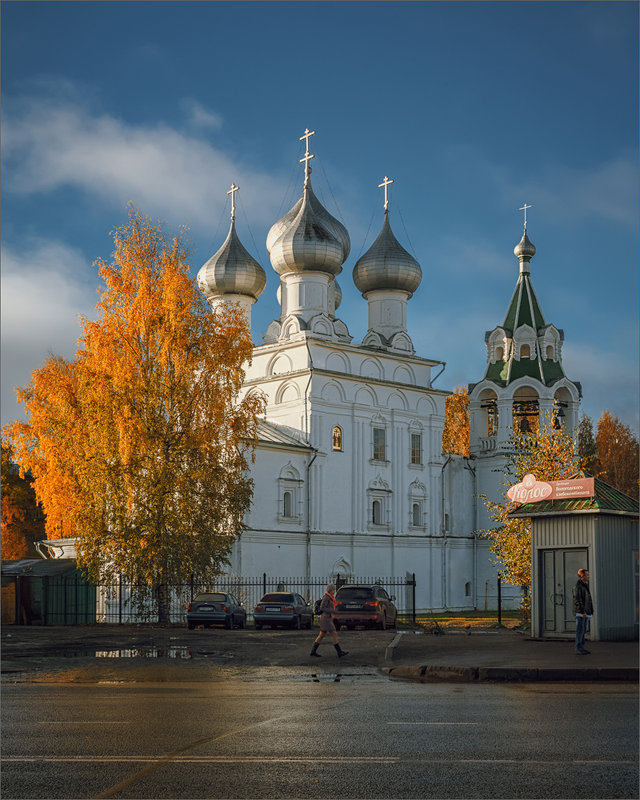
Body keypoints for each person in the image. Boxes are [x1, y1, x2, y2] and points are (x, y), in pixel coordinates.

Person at [310, 583, 348, 658]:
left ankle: (313, 651)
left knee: (321, 635)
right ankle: (339, 652)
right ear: (330, 590)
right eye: (334, 590)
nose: (334, 591)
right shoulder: (327, 597)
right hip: (326, 619)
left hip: (327, 618)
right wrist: (332, 611)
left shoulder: (330, 597)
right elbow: (322, 607)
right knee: (334, 633)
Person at [573, 568, 593, 655]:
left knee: (583, 630)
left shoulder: (584, 585)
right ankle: (578, 648)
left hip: (585, 612)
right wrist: (582, 612)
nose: (588, 576)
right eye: (587, 575)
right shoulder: (578, 586)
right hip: (581, 612)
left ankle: (581, 647)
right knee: (580, 630)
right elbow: (577, 600)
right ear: (582, 576)